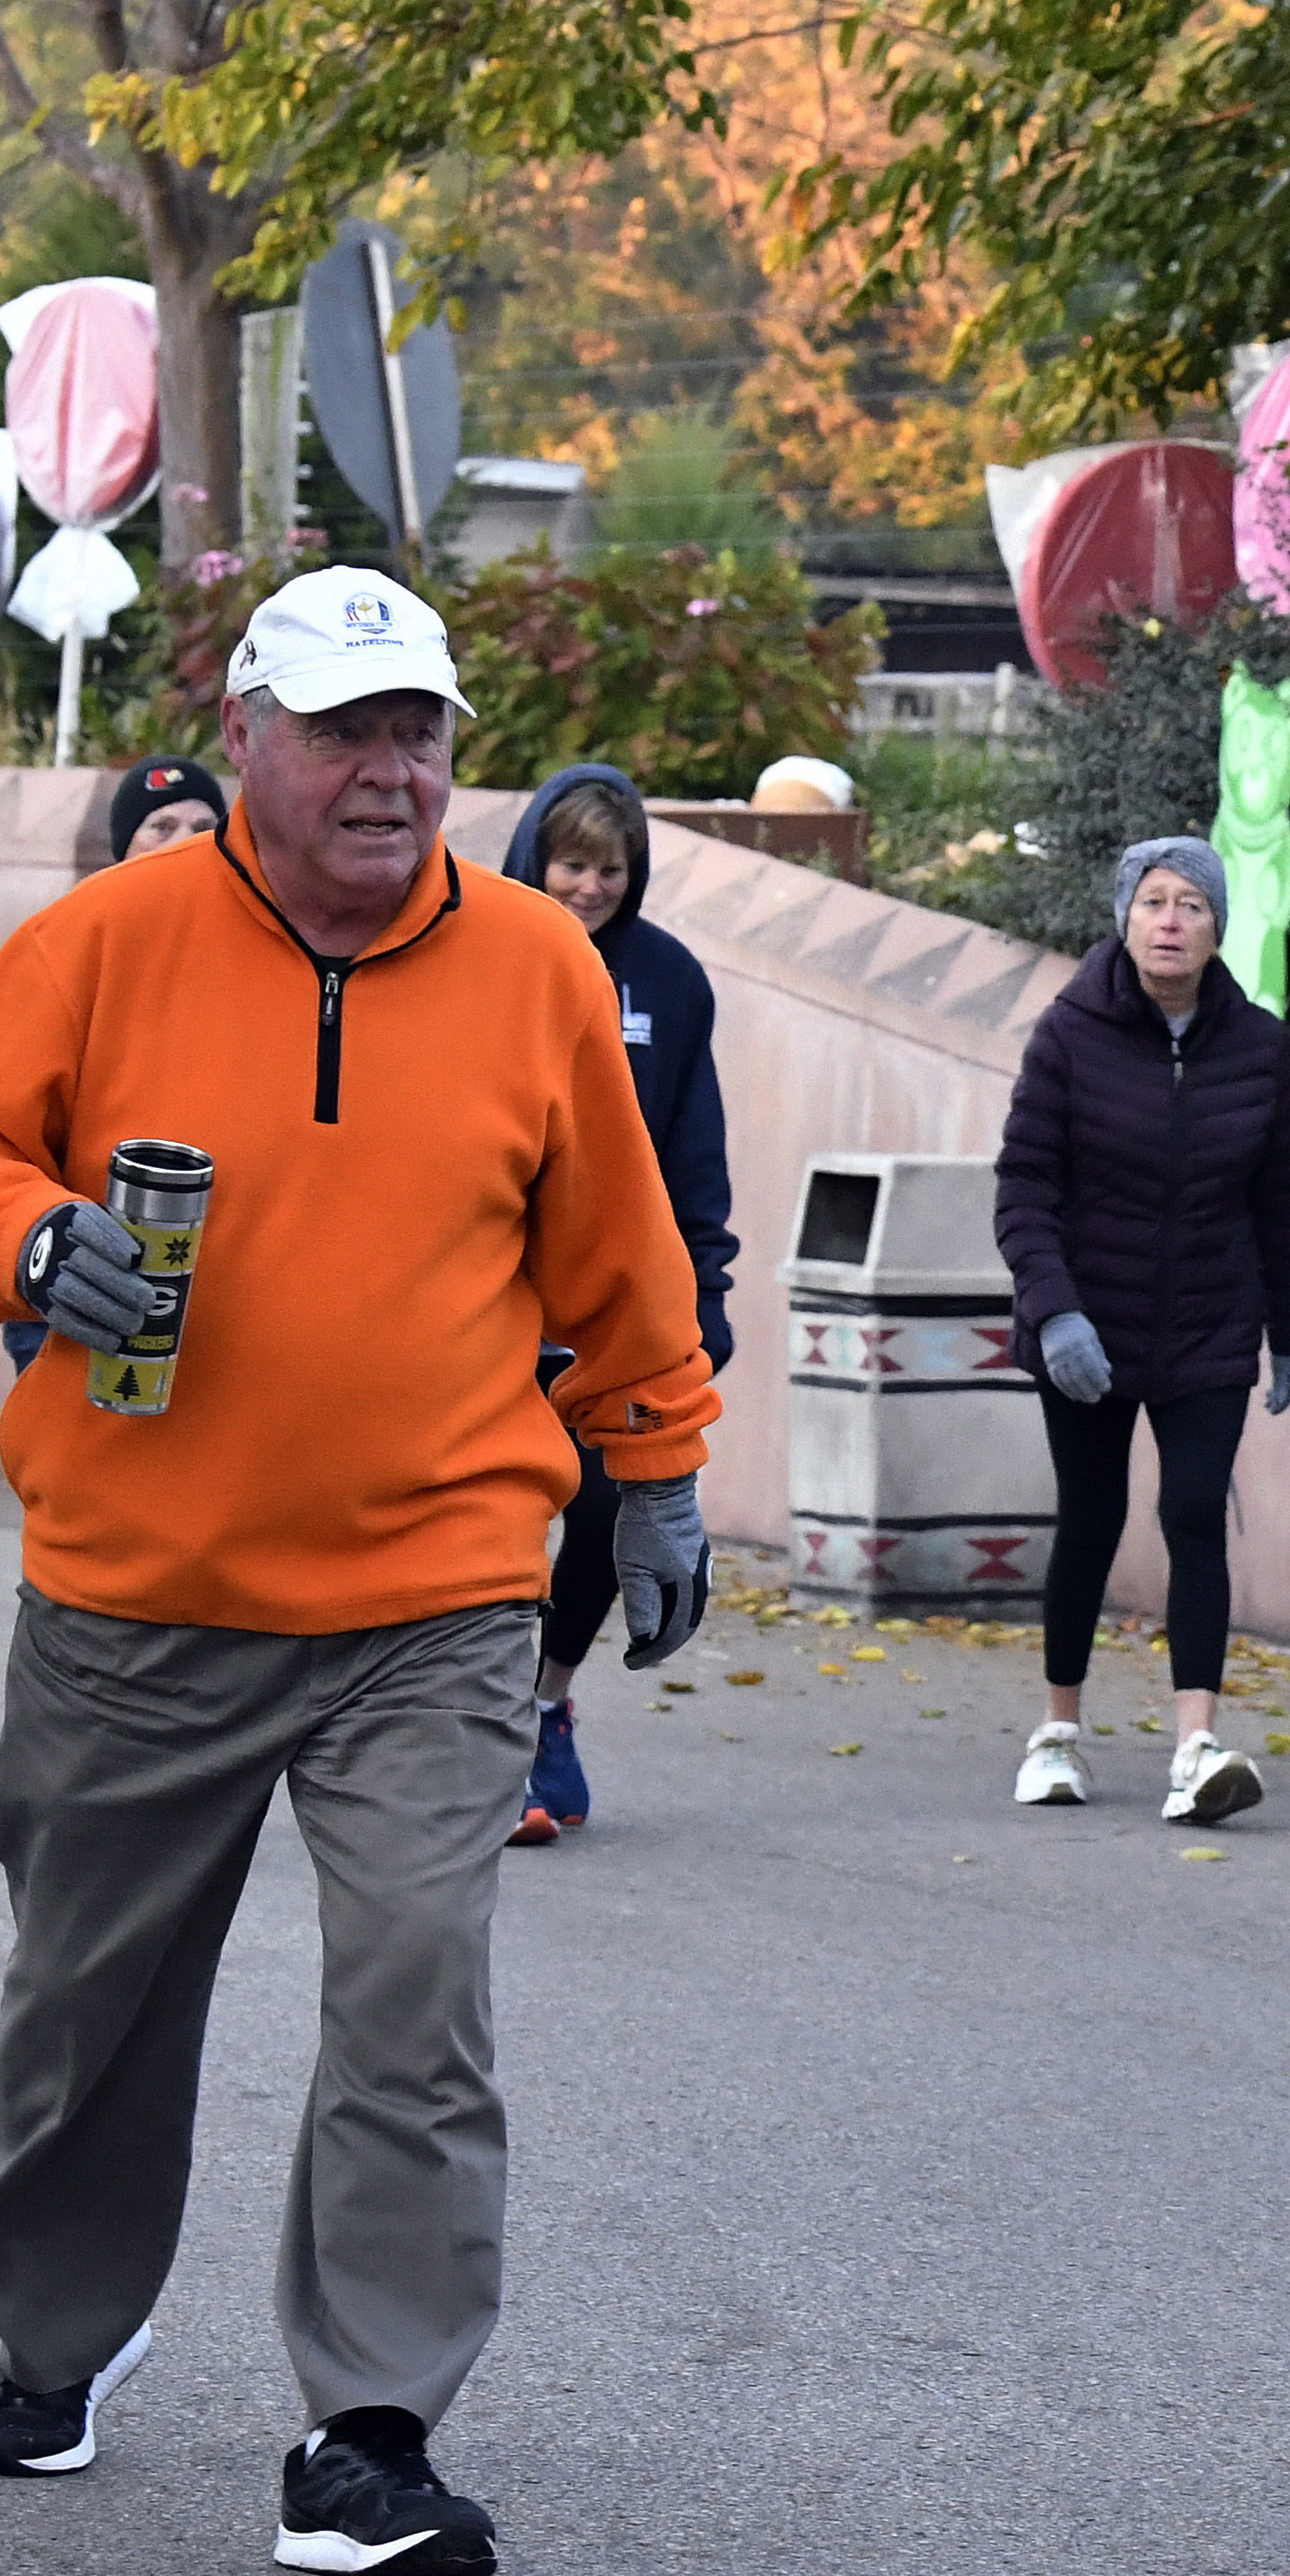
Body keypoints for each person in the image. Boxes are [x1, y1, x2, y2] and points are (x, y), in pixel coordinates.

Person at [0, 566, 720, 2576]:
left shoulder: (530, 969)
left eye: (417, 729)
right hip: (138, 1590)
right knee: (92, 2008)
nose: (388, 767)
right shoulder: (105, 942)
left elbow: (620, 1251)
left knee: (419, 1991)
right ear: (245, 736)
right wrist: (22, 1239)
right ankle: (55, 2334)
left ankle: (370, 2428)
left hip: (430, 1595)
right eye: (343, 728)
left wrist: (660, 1469)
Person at [991, 835, 1290, 1825]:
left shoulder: (1262, 1050)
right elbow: (1023, 1191)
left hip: (1209, 1326)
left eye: (1193, 907)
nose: (1171, 922)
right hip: (1086, 1326)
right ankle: (1057, 1732)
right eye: (1154, 903)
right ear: (1124, 918)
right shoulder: (1069, 1034)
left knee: (1192, 1515)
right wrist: (1055, 1315)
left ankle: (1195, 1744)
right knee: (1088, 1519)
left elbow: (1275, 1202)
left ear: (1220, 930)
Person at [498, 763, 736, 1842]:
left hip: (608, 1326)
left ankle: (546, 1703)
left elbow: (691, 1157)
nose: (588, 887)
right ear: (532, 861)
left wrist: (703, 1299)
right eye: (571, 864)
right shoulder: (482, 958)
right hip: (489, 1313)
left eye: (609, 870)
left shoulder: (671, 983)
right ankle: (483, 1731)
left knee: (601, 1514)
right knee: (495, 1521)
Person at [0, 756, 231, 1377]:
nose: (186, 843)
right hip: (78, 1292)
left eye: (203, 825)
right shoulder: (69, 956)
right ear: (121, 850)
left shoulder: (260, 966)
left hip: (215, 1306)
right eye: (161, 826)